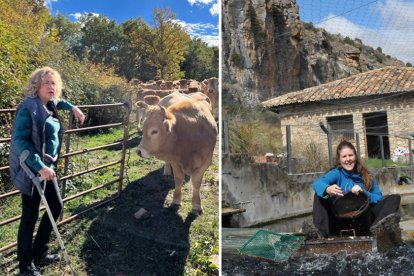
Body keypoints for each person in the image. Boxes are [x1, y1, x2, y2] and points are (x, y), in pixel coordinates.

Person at [9, 67, 85, 276]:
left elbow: (60, 102)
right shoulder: (29, 108)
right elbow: (20, 140)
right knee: (30, 216)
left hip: (46, 169)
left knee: (55, 206)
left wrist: (73, 107)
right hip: (31, 170)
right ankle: (26, 266)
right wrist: (39, 166)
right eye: (46, 83)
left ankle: (39, 253)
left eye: (54, 83)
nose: (51, 87)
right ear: (37, 86)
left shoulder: (49, 104)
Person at [311, 140, 401, 246]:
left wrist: (363, 193)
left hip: (365, 221)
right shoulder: (336, 173)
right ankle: (320, 233)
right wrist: (327, 189)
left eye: (350, 155)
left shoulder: (367, 176)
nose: (348, 159)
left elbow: (378, 197)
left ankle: (377, 229)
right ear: (339, 160)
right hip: (340, 222)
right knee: (319, 194)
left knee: (394, 198)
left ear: (355, 157)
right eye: (344, 156)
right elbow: (317, 183)